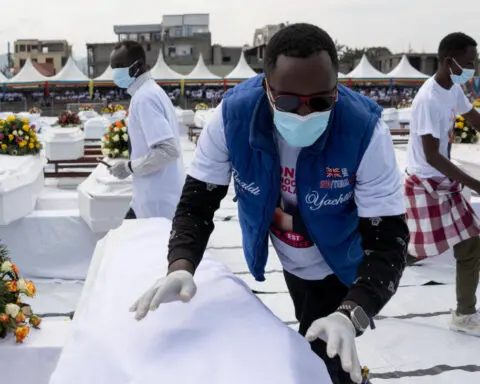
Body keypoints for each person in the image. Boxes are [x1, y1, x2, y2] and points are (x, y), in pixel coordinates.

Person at [130, 24, 409, 384]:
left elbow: (388, 239)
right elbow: (197, 203)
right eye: (290, 101)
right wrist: (181, 266)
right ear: (266, 87)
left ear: (337, 89)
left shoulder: (365, 131)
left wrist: (351, 313)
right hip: (291, 256)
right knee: (314, 338)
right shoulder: (232, 120)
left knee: (327, 354)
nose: (306, 113)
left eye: (321, 101)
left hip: (341, 260)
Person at [405, 32, 480, 336]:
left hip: (443, 182)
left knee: (443, 244)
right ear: (450, 61)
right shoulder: (429, 100)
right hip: (427, 183)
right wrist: (475, 183)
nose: (472, 68)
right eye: (469, 62)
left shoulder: (453, 88)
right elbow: (433, 156)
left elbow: (474, 119)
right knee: (471, 245)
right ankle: (464, 315)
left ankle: (406, 253)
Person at [108, 41, 185, 220]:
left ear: (139, 65)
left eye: (120, 66)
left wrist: (128, 167)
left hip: (157, 199)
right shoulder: (150, 92)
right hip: (152, 192)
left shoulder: (145, 98)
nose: (115, 73)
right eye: (114, 67)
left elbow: (168, 150)